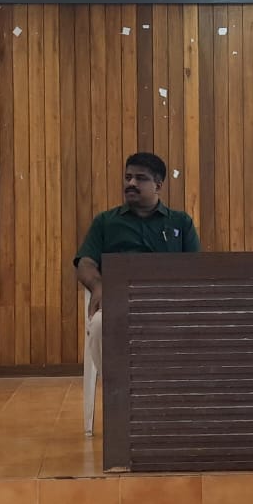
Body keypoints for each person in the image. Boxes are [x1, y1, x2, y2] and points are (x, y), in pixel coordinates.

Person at [74, 152, 201, 369]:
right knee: (99, 325)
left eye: (140, 178)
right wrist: (98, 286)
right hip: (119, 303)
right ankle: (116, 388)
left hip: (170, 306)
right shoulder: (105, 222)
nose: (131, 183)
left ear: (158, 185)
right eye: (128, 177)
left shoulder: (180, 222)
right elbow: (85, 262)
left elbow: (196, 268)